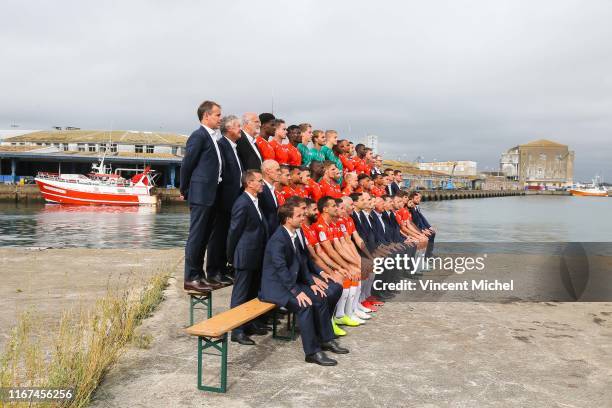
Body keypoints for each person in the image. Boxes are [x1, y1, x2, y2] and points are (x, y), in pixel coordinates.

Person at [259, 202, 349, 365]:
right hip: (276, 287)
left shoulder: (293, 234)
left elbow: (301, 261)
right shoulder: (278, 239)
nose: (303, 218)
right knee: (305, 305)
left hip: (290, 283)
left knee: (320, 296)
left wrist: (311, 282)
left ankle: (325, 340)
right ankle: (312, 352)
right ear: (287, 219)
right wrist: (296, 291)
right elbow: (280, 270)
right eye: (299, 216)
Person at [181, 100, 224, 292]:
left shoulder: (213, 137)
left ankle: (200, 274)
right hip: (200, 194)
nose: (220, 119)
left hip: (211, 194)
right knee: (197, 237)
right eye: (217, 115)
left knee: (205, 236)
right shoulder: (198, 136)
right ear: (206, 116)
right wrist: (185, 189)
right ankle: (191, 277)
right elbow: (187, 164)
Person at [227, 170, 269, 345]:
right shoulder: (242, 203)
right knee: (240, 294)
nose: (262, 184)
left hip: (255, 254)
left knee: (252, 292)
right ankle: (237, 331)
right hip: (245, 255)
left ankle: (249, 323)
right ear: (249, 183)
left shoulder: (255, 202)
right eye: (259, 181)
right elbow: (234, 232)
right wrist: (230, 256)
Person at [207, 115, 244, 285]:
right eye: (237, 126)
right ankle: (214, 271)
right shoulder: (222, 145)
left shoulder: (233, 147)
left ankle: (222, 269)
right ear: (228, 129)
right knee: (218, 236)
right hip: (222, 201)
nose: (240, 129)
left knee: (226, 236)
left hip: (233, 200)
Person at [409, 191, 436, 258]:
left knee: (432, 232)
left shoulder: (417, 207)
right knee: (428, 235)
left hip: (419, 226)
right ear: (412, 199)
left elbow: (421, 218)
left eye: (420, 198)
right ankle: (424, 256)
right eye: (417, 198)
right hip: (415, 228)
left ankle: (429, 253)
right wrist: (422, 230)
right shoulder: (410, 208)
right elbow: (413, 222)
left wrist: (429, 227)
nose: (419, 199)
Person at [259, 160, 281, 234]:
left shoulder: (271, 189)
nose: (280, 173)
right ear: (267, 171)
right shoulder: (261, 189)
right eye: (277, 170)